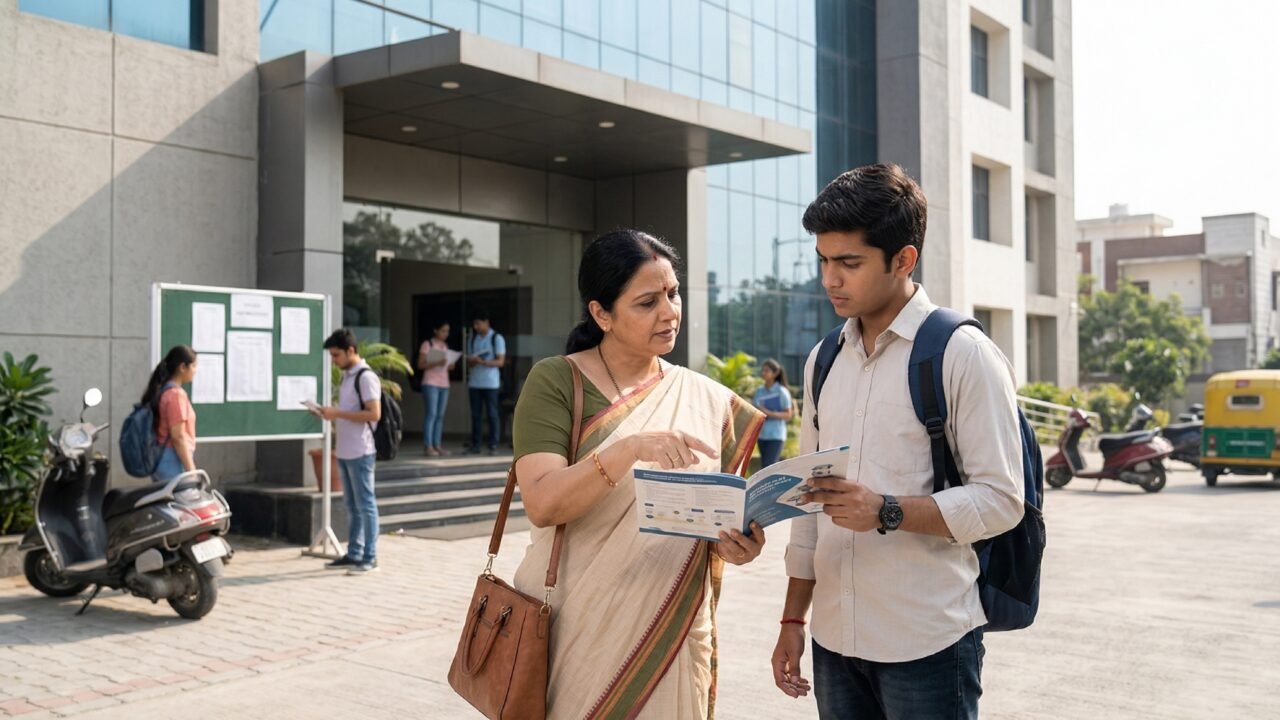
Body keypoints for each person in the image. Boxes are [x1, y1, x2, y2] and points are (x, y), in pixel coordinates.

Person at [771, 164, 1025, 719]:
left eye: (849, 263)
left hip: (927, 640)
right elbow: (810, 506)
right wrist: (794, 619)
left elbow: (1003, 499)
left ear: (903, 259)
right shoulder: (824, 360)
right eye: (824, 261)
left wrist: (885, 510)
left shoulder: (962, 354)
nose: (829, 279)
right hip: (835, 641)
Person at [512, 230, 768, 718]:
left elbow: (717, 520)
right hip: (576, 627)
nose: (670, 312)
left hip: (672, 630)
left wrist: (740, 546)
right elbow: (543, 504)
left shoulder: (707, 400)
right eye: (647, 302)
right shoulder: (557, 381)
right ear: (601, 313)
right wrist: (628, 448)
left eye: (673, 294)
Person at [320, 329, 383, 575]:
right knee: (352, 505)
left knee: (366, 504)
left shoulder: (365, 377)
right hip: (346, 451)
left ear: (350, 351)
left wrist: (337, 414)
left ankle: (370, 557)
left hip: (361, 451)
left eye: (336, 355)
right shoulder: (348, 376)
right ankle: (354, 553)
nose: (333, 361)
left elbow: (374, 413)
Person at [140, 345, 199, 481]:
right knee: (179, 500)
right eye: (194, 366)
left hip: (161, 458)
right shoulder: (176, 395)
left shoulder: (162, 392)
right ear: (183, 367)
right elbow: (178, 436)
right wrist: (192, 471)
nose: (195, 371)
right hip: (173, 460)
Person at [466, 311, 505, 455]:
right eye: (474, 324)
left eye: (478, 324)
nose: (476, 327)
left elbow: (500, 361)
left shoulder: (496, 338)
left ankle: (493, 444)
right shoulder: (472, 338)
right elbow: (469, 362)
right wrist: (471, 361)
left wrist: (482, 362)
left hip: (491, 383)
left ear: (486, 322)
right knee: (475, 415)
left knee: (492, 414)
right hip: (474, 383)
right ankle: (476, 444)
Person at [417, 320, 456, 457]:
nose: (446, 334)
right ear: (436, 330)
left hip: (444, 384)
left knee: (440, 416)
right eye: (443, 331)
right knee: (431, 414)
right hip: (430, 383)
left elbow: (446, 365)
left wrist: (449, 365)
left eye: (447, 331)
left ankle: (437, 445)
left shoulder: (445, 346)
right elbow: (420, 365)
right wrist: (437, 363)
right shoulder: (428, 344)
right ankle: (428, 446)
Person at [752, 358, 794, 468]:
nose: (763, 373)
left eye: (766, 371)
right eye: (763, 370)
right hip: (762, 435)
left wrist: (768, 413)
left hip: (776, 436)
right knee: (764, 466)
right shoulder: (759, 391)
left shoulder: (782, 392)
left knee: (769, 465)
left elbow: (788, 415)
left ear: (775, 373)